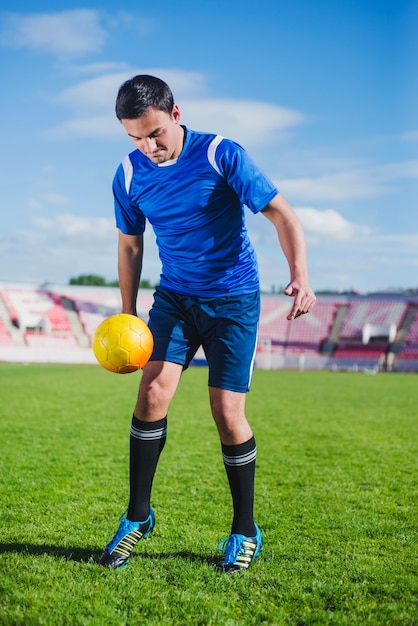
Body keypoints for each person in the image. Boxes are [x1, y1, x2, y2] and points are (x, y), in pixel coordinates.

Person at [99, 75, 316, 573]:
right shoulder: (129, 174)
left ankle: (244, 530)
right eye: (135, 137)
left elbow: (283, 215)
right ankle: (137, 517)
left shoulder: (221, 154)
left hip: (233, 300)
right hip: (175, 297)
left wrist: (300, 276)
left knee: (226, 412)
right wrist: (130, 315)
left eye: (155, 133)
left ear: (176, 114)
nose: (148, 146)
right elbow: (131, 245)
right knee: (151, 394)